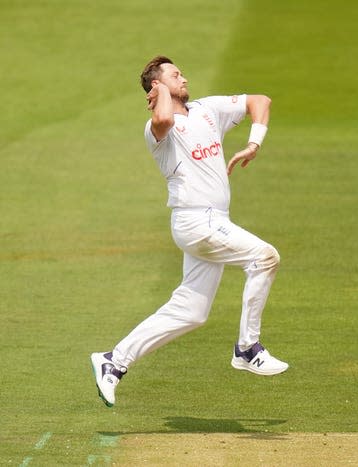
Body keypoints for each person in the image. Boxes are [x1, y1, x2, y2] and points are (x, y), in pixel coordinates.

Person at [90, 56, 288, 408]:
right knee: (264, 257)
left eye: (181, 73)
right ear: (157, 86)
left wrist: (254, 143)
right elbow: (164, 117)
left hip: (213, 221)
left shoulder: (207, 109)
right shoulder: (156, 131)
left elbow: (261, 102)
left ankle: (113, 361)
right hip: (196, 222)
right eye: (174, 75)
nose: (184, 78)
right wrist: (161, 92)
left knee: (191, 311)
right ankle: (247, 348)